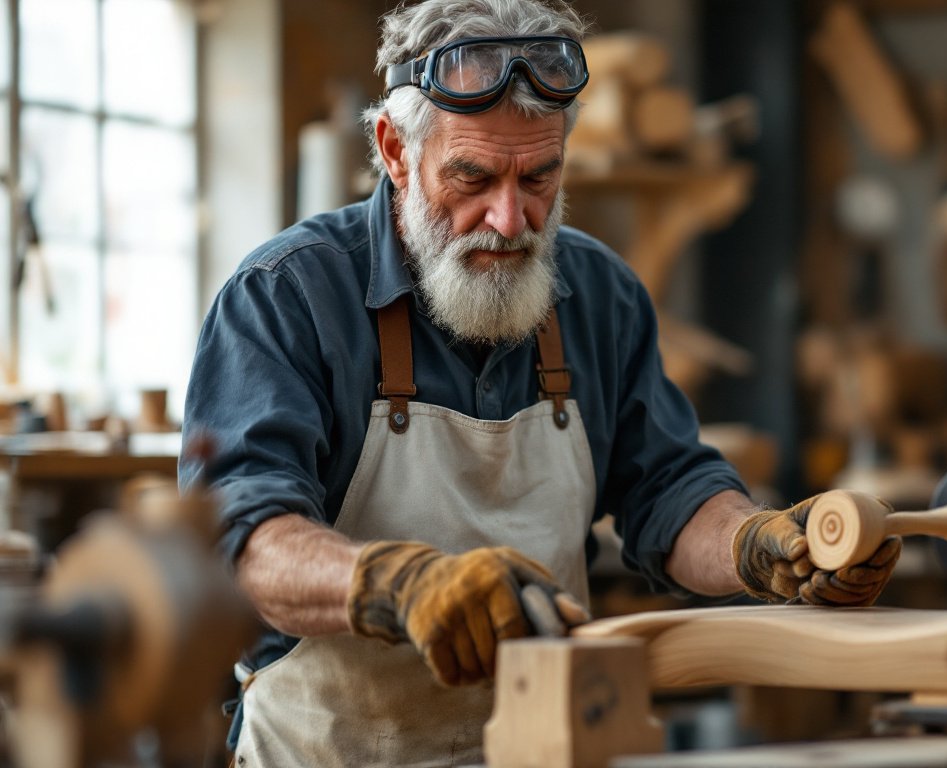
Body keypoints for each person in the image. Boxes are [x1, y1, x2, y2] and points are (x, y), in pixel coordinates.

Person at [180, 0, 901, 765]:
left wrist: (760, 545)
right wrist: (399, 583)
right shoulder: (287, 297)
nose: (510, 218)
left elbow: (669, 490)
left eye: (539, 177)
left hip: (550, 747)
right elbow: (243, 545)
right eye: (474, 176)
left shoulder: (598, 294)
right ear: (394, 150)